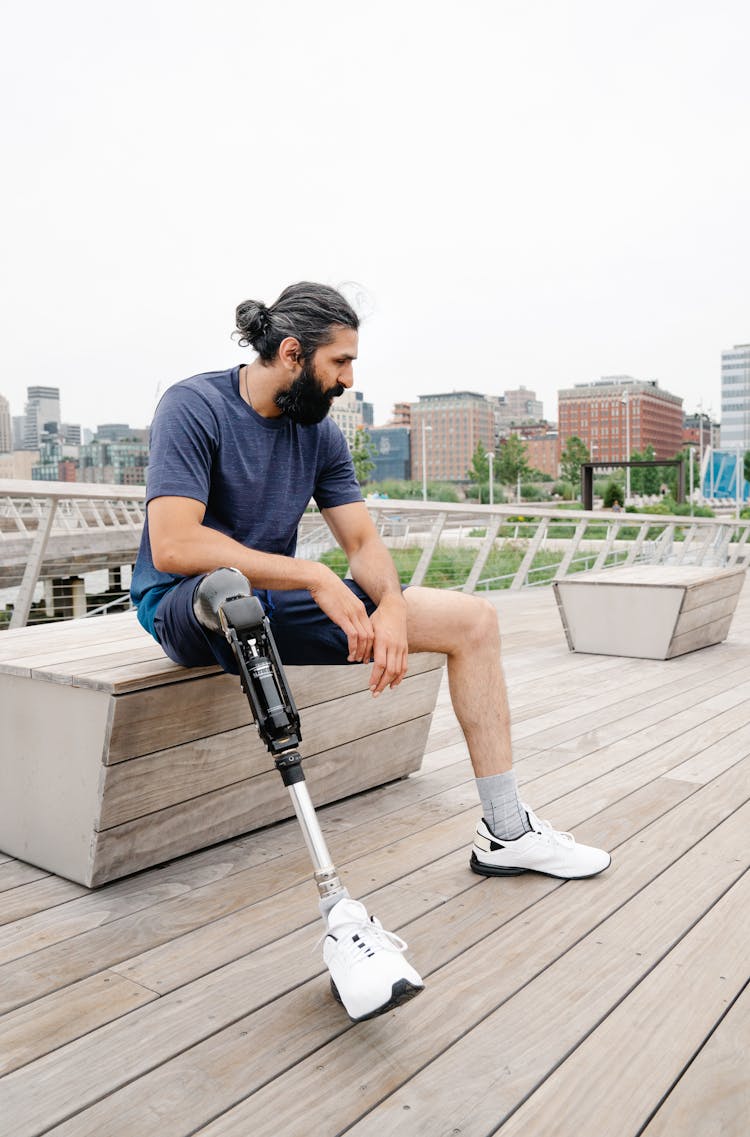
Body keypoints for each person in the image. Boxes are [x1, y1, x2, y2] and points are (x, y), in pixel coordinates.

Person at [131, 282, 610, 1022]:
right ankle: (338, 907)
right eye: (341, 361)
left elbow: (361, 540)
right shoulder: (193, 407)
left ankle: (506, 830)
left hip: (270, 596)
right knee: (234, 591)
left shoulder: (317, 429)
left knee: (473, 619)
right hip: (187, 605)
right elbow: (177, 542)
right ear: (292, 354)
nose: (351, 378)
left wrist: (385, 606)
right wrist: (316, 576)